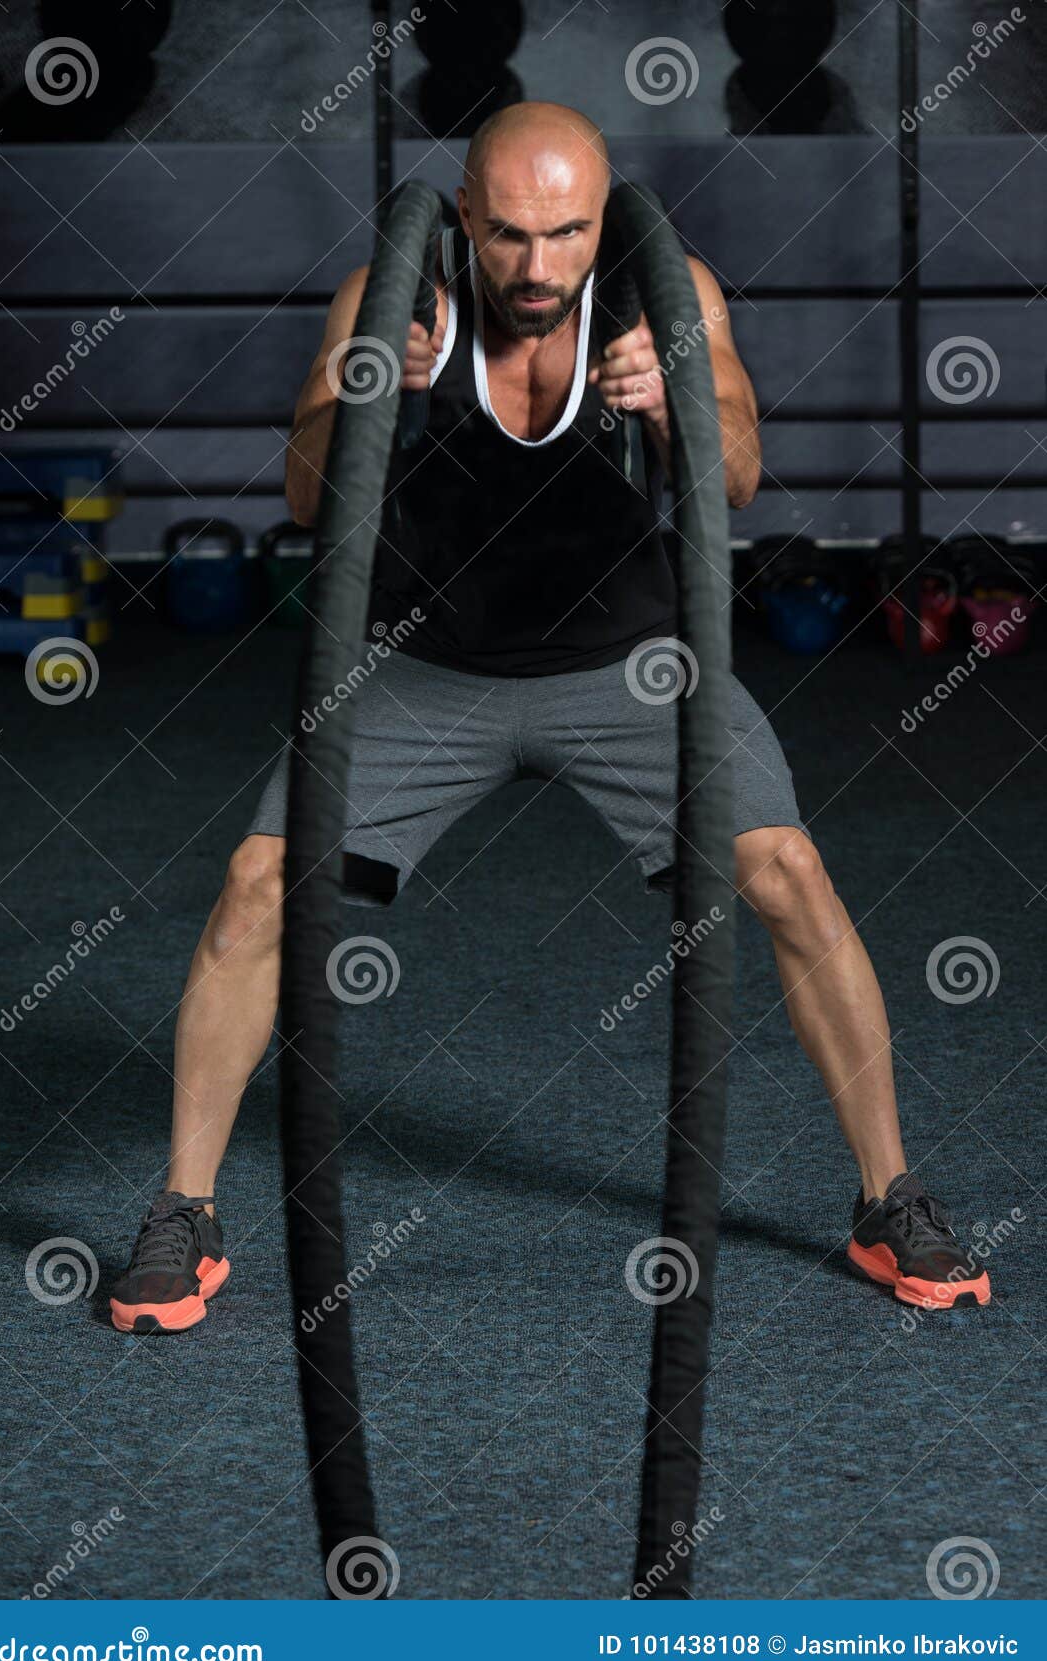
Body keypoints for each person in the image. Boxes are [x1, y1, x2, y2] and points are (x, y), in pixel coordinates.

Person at [110, 102, 989, 1335]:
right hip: (427, 666)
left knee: (789, 870)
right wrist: (365, 394)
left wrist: (677, 397)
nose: (537, 268)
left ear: (603, 217)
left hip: (630, 667)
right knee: (258, 887)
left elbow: (736, 468)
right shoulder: (394, 293)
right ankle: (183, 1212)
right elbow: (311, 496)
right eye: (512, 235)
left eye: (566, 234)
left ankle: (886, 1195)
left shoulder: (666, 289)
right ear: (467, 214)